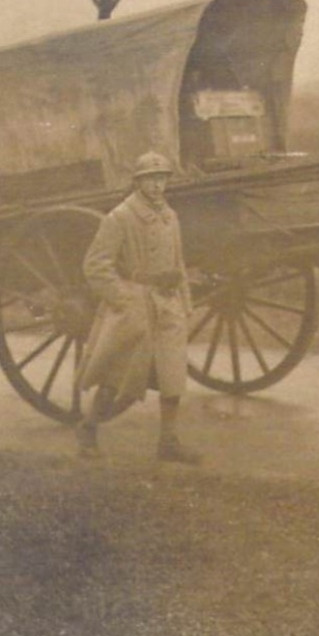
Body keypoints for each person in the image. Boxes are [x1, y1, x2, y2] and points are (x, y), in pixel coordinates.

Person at [75, 152, 201, 464]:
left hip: (167, 303)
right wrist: (123, 298)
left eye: (162, 178)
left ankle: (168, 442)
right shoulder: (121, 217)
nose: (157, 185)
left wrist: (185, 301)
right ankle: (88, 428)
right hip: (137, 305)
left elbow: (178, 262)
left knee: (173, 374)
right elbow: (95, 265)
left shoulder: (170, 216)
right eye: (150, 178)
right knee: (122, 377)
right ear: (138, 181)